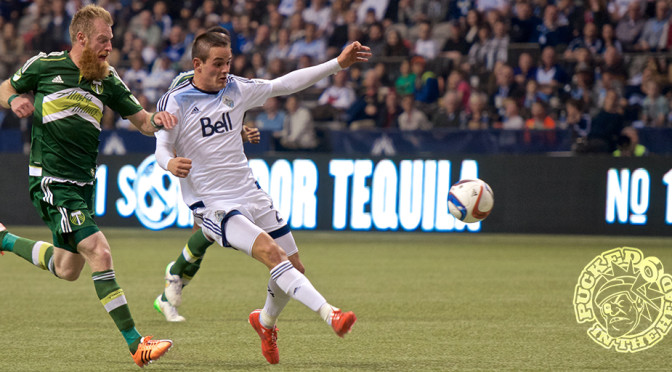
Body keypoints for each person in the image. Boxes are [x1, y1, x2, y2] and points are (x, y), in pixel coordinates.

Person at [153, 31, 370, 364]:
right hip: (213, 204)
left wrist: (337, 64)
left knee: (295, 265)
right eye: (217, 64)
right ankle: (331, 314)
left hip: (250, 192)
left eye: (228, 62)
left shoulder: (236, 88)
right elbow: (162, 148)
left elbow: (284, 85)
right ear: (197, 64)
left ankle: (265, 321)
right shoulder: (176, 100)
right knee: (272, 253)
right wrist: (170, 163)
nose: (225, 69)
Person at [0, 5, 175, 368]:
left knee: (68, 268)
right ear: (81, 38)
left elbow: (142, 121)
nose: (110, 45)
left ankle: (2, 239)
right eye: (103, 39)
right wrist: (14, 98)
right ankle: (136, 343)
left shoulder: (107, 79)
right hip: (51, 180)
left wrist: (159, 119)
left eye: (111, 39)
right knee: (100, 252)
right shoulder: (45, 66)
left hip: (83, 185)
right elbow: (4, 87)